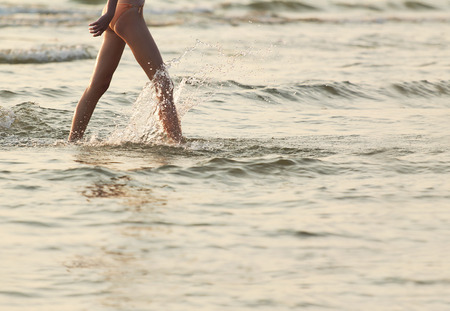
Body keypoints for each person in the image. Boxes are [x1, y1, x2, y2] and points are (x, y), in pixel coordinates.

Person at [68, 0, 182, 143]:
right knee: (163, 84)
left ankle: (72, 141)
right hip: (128, 14)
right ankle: (177, 143)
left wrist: (110, 12)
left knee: (98, 85)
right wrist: (110, 12)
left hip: (122, 12)